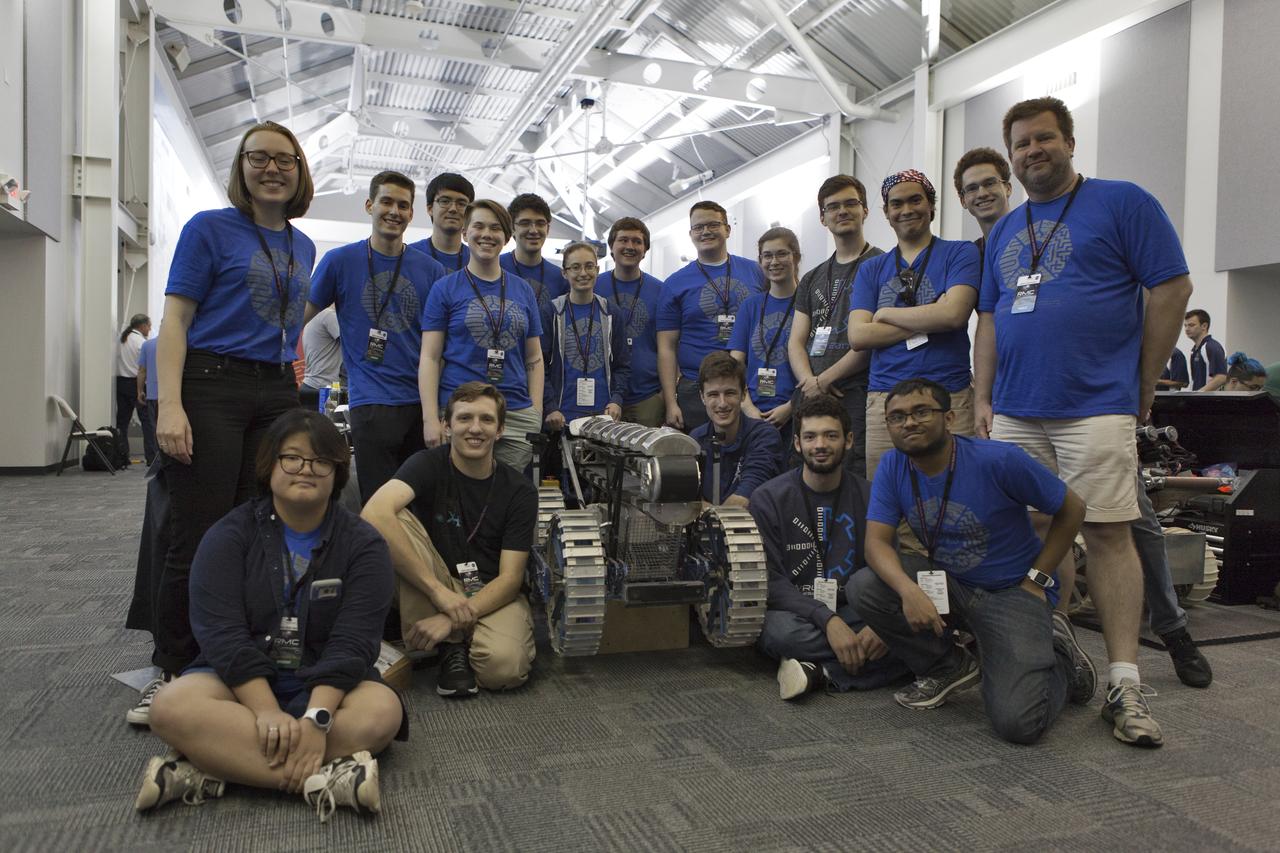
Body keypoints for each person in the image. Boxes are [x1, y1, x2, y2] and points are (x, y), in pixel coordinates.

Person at [974, 96, 1193, 747]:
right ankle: (1054, 647)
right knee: (1032, 534)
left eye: (1044, 139)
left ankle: (1125, 681)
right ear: (1011, 156)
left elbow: (1172, 288)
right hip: (1016, 408)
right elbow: (987, 319)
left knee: (1105, 532)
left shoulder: (1124, 202)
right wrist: (984, 398)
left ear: (1069, 141)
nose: (1033, 151)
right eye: (1022, 144)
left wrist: (1143, 379)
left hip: (1096, 404)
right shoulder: (1007, 229)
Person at [136, 410, 403, 821]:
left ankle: (209, 767)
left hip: (326, 680)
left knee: (383, 712)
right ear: (269, 465)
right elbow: (220, 632)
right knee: (170, 708)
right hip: (238, 684)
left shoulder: (363, 543)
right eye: (292, 458)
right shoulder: (229, 534)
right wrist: (264, 710)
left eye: (320, 462)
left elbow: (355, 640)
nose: (306, 470)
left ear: (337, 471)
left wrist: (317, 718)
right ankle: (323, 781)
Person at [144, 121, 316, 727]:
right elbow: (176, 320)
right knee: (198, 531)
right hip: (210, 385)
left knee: (260, 527)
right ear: (240, 167)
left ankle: (233, 656)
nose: (272, 168)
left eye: (284, 159)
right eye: (258, 158)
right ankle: (172, 666)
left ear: (299, 170)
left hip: (274, 387)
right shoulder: (208, 229)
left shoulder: (303, 245)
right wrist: (170, 403)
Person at [849, 379, 1095, 745]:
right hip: (952, 584)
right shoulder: (893, 466)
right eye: (896, 417)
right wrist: (908, 591)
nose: (908, 423)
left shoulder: (999, 459)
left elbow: (1073, 509)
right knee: (865, 586)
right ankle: (949, 666)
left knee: (1018, 724)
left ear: (948, 418)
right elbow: (876, 544)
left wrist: (1037, 580)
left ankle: (1060, 656)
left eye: (921, 412)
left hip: (1013, 592)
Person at [361, 383, 538, 697]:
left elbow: (510, 579)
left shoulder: (520, 491)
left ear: (500, 431)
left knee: (504, 669)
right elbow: (372, 513)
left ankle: (451, 633)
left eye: (486, 420)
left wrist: (449, 618)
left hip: (488, 589)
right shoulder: (427, 463)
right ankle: (449, 649)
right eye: (464, 418)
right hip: (434, 582)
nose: (475, 428)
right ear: (446, 426)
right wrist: (438, 593)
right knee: (390, 517)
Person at [750, 393, 909, 700]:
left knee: (913, 628)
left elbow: (890, 568)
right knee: (776, 632)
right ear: (797, 444)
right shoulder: (767, 498)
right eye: (810, 436)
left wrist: (881, 627)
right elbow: (771, 582)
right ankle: (854, 661)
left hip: (855, 609)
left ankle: (817, 672)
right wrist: (828, 620)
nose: (820, 445)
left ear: (848, 441)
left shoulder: (871, 495)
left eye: (830, 435)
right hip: (797, 614)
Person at [305, 171, 446, 504]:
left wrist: (438, 412)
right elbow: (300, 316)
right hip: (370, 404)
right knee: (379, 505)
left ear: (412, 213)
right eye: (386, 201)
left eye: (403, 205)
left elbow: (440, 347)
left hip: (419, 404)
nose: (394, 211)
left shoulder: (431, 271)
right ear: (369, 205)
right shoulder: (339, 262)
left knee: (422, 507)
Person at [849, 169, 979, 480]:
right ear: (886, 213)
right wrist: (933, 313)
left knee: (958, 490)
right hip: (885, 398)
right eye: (897, 204)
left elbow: (954, 316)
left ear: (931, 205)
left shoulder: (960, 253)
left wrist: (886, 314)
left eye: (915, 200)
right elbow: (858, 335)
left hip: (949, 394)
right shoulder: (872, 269)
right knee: (890, 501)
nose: (906, 210)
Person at [420, 200, 545, 472]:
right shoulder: (445, 288)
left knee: (505, 499)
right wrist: (430, 418)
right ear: (465, 233)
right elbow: (429, 357)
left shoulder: (522, 290)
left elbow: (534, 358)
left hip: (515, 415)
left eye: (495, 228)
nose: (486, 234)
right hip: (461, 411)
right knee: (459, 498)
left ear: (507, 238)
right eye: (478, 226)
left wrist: (535, 412)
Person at [787, 175, 883, 477]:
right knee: (806, 474)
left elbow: (873, 339)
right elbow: (796, 341)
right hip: (810, 392)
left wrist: (825, 379)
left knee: (853, 475)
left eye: (850, 203)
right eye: (833, 206)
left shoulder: (883, 265)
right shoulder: (813, 277)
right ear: (822, 217)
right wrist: (810, 383)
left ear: (865, 210)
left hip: (855, 391)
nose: (842, 211)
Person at [657, 201, 766, 433]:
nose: (706, 231)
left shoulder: (756, 271)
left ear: (728, 229)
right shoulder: (674, 284)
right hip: (695, 389)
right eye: (698, 227)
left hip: (750, 383)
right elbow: (666, 346)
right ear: (690, 234)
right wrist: (670, 402)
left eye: (713, 224)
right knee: (701, 459)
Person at [542, 241, 630, 431]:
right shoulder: (551, 312)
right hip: (561, 416)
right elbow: (540, 367)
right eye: (575, 267)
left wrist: (616, 400)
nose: (583, 273)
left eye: (589, 266)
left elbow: (622, 366)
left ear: (597, 270)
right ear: (564, 273)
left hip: (604, 417)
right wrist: (550, 407)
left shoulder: (611, 313)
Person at [688, 352, 783, 507]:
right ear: (702, 397)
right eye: (713, 394)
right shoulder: (695, 439)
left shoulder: (764, 436)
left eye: (730, 393)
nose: (722, 403)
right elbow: (691, 500)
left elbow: (745, 496)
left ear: (744, 394)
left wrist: (707, 513)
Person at [730, 227, 799, 438]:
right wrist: (748, 408)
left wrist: (791, 406)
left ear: (795, 257)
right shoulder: (750, 306)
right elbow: (735, 363)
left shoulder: (808, 303)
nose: (774, 261)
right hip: (753, 412)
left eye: (781, 254)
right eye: (767, 256)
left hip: (797, 410)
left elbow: (816, 368)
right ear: (760, 261)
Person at [595, 218, 665, 426]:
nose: (630, 246)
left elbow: (669, 344)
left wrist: (663, 396)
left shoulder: (661, 291)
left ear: (645, 250)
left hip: (647, 396)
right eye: (623, 240)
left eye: (637, 241)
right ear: (611, 248)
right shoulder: (593, 287)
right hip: (601, 395)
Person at [500, 193, 569, 318]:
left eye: (540, 223)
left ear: (547, 229)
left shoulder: (561, 278)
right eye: (525, 223)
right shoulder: (494, 268)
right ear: (512, 228)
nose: (533, 230)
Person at [408, 173, 474, 273]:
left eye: (461, 203)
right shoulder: (408, 256)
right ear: (430, 208)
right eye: (445, 201)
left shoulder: (478, 260)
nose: (453, 209)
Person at [115, 313, 151, 461]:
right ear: (142, 326)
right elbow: (143, 368)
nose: (150, 329)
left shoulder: (122, 339)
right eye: (149, 325)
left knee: (122, 422)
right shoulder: (141, 343)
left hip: (121, 383)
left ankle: (123, 456)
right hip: (137, 384)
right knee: (147, 422)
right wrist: (140, 390)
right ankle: (151, 456)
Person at [299, 306, 342, 411]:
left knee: (312, 425)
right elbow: (354, 344)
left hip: (310, 385)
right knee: (331, 423)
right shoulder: (329, 315)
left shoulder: (312, 318)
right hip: (327, 389)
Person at [1184, 309, 1227, 391]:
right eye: (1185, 326)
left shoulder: (1212, 347)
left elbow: (1221, 377)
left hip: (1208, 401)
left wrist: (1198, 394)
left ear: (1204, 326)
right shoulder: (1195, 350)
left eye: (1191, 325)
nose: (1187, 329)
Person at [136, 334, 160, 465]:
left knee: (155, 429)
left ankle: (157, 460)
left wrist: (140, 391)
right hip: (175, 395)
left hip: (153, 394)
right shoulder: (182, 341)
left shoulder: (148, 345)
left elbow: (142, 370)